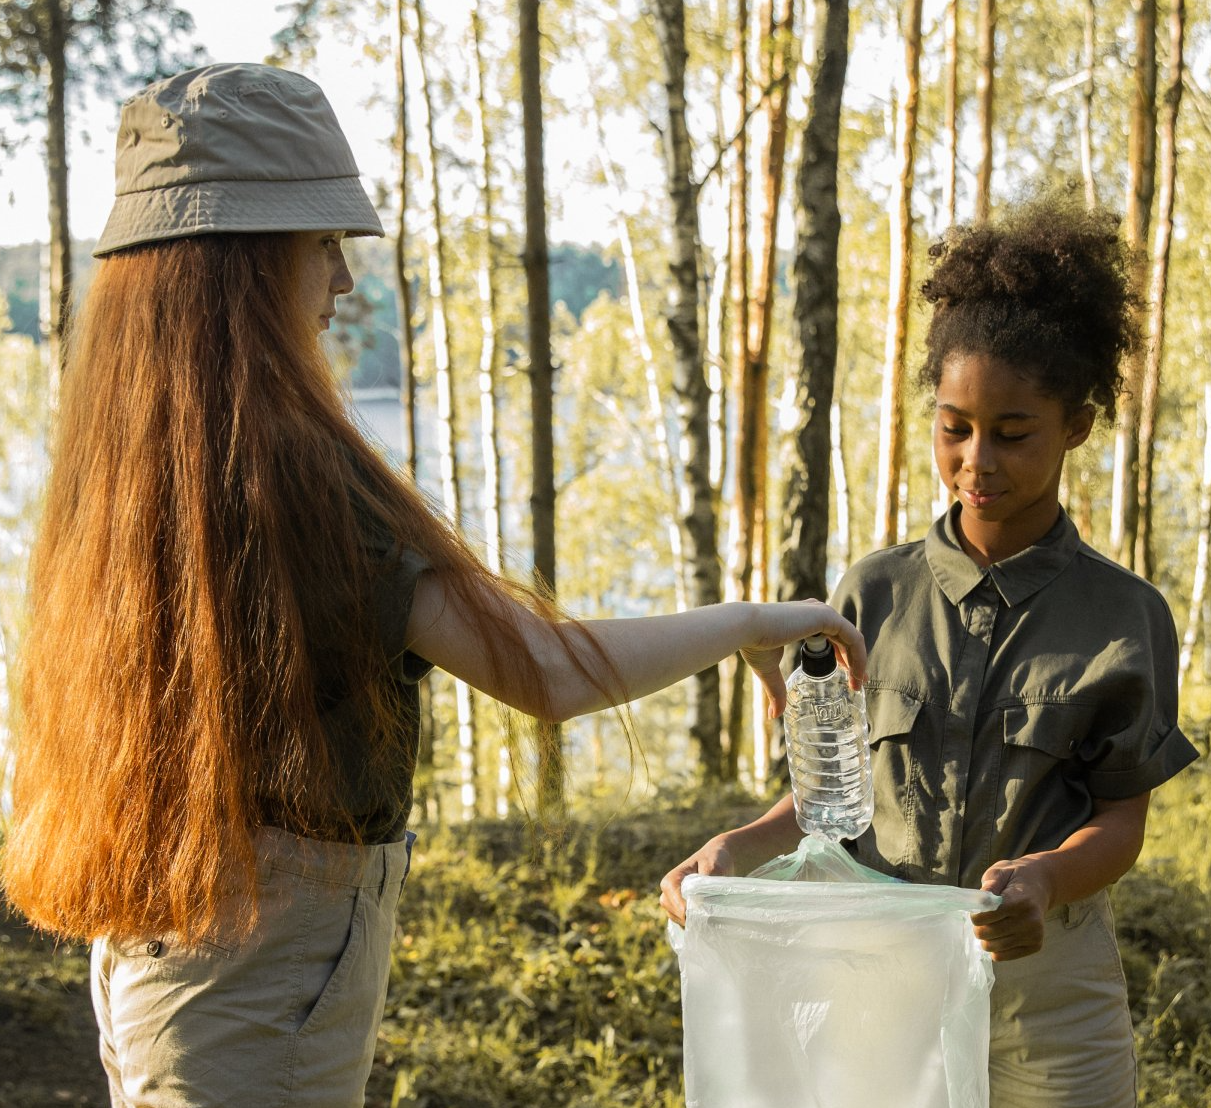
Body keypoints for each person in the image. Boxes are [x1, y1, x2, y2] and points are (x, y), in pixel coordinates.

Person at [0, 63, 867, 1107]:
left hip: (157, 950)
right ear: (243, 268)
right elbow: (545, 673)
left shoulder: (135, 462)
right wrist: (752, 622)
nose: (343, 282)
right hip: (262, 978)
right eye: (320, 245)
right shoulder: (301, 479)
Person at [660, 194, 1199, 1108]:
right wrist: (739, 846)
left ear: (1075, 423)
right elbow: (828, 794)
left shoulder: (1124, 615)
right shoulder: (870, 596)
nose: (975, 460)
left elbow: (1120, 823)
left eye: (1012, 433)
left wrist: (1044, 879)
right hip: (881, 981)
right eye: (954, 427)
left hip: (1049, 1006)